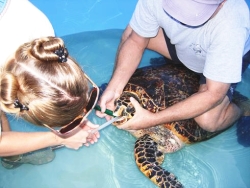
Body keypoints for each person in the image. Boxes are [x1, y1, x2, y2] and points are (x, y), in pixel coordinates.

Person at [97, 0, 250, 133]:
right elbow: (136, 41)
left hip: (217, 57)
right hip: (180, 46)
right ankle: (116, 89)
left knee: (208, 120)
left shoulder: (232, 24)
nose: (184, 17)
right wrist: (114, 88)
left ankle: (242, 108)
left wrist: (152, 119)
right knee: (131, 32)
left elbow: (213, 94)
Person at [0, 36, 100, 169]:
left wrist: (78, 118)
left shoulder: (43, 47)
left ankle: (9, 154)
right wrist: (59, 138)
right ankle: (10, 155)